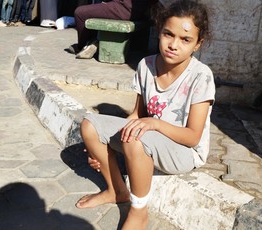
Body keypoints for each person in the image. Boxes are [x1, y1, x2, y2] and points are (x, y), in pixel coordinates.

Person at [75, 0, 214, 229]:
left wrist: (153, 124)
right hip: (150, 141)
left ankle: (139, 212)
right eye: (168, 34)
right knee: (90, 125)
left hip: (184, 152)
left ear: (197, 44)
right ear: (159, 31)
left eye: (185, 39)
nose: (173, 45)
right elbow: (136, 115)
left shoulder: (201, 76)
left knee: (137, 139)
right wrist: (101, 146)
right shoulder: (146, 65)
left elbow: (192, 137)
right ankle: (116, 190)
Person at [69, 0, 155, 59]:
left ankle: (82, 46)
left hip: (124, 8)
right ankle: (93, 41)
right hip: (140, 10)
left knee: (80, 13)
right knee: (97, 9)